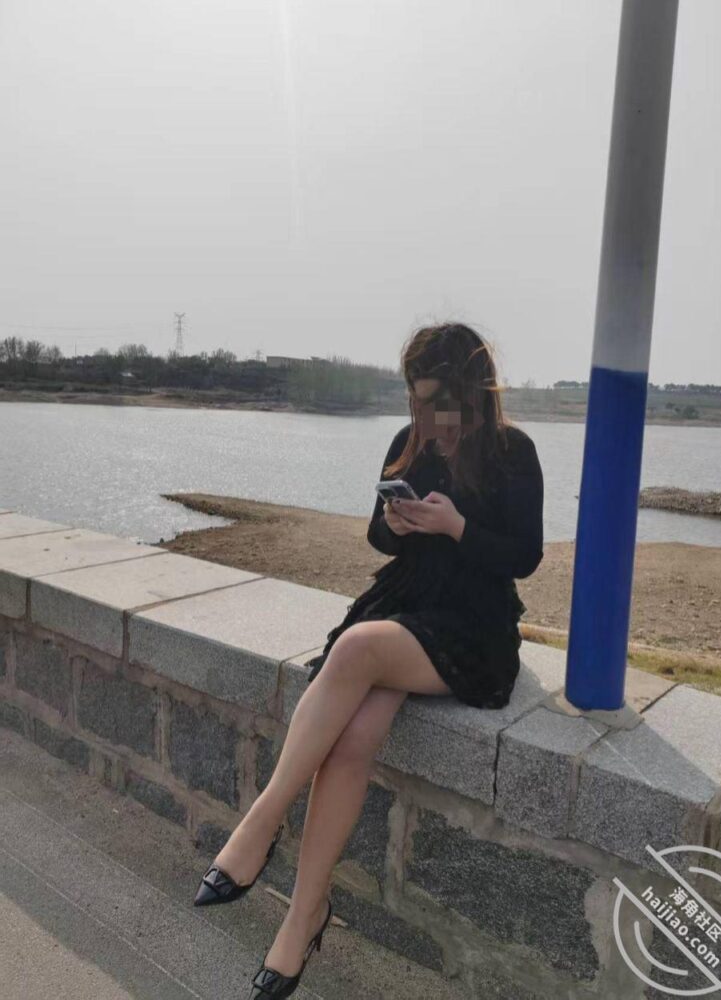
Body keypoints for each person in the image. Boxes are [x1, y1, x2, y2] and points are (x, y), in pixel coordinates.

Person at [193, 322, 544, 999]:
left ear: (472, 390)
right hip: (404, 604)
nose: (428, 415)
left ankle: (261, 822)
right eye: (418, 399)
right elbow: (376, 535)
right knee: (353, 738)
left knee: (356, 648)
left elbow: (524, 555)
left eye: (438, 400)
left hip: (471, 624)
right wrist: (400, 523)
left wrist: (456, 526)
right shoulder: (409, 441)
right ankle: (303, 917)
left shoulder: (512, 450)